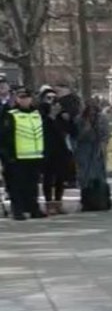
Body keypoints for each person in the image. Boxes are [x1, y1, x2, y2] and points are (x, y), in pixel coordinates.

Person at [1, 86, 46, 220]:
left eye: (26, 98)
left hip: (35, 156)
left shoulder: (36, 114)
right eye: (21, 98)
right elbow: (4, 137)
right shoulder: (10, 115)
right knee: (16, 186)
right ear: (17, 99)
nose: (25, 101)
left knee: (32, 186)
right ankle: (18, 210)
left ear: (31, 99)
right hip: (17, 157)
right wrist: (7, 156)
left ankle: (34, 209)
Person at [38, 85, 75, 214]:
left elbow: (70, 130)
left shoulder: (60, 112)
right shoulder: (40, 111)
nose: (52, 100)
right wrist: (51, 116)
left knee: (61, 176)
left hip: (61, 148)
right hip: (46, 147)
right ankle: (49, 203)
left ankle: (58, 202)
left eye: (54, 97)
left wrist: (66, 118)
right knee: (48, 177)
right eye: (48, 98)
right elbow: (42, 128)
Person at [74, 97, 111, 211]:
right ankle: (86, 201)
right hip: (84, 148)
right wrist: (86, 129)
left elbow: (105, 134)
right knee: (85, 174)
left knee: (99, 173)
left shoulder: (102, 118)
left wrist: (103, 144)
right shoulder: (79, 119)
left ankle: (102, 200)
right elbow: (77, 136)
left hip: (97, 147)